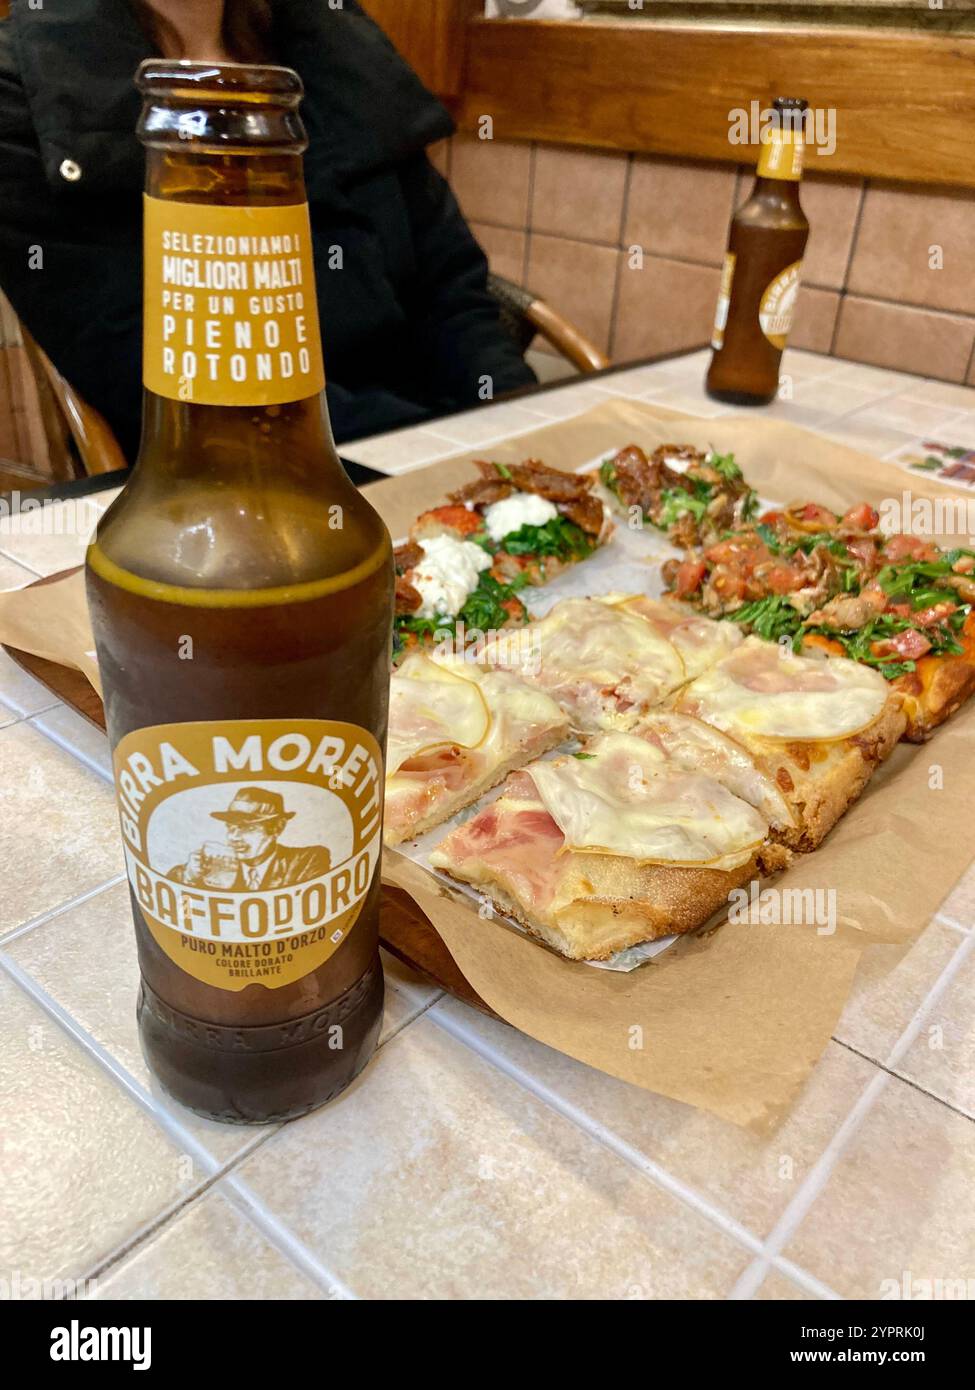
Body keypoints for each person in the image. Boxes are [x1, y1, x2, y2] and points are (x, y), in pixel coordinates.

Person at [0, 0, 535, 462]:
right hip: (222, 481)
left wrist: (519, 425)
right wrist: (432, 450)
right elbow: (147, 365)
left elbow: (453, 289)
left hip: (436, 442)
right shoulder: (30, 87)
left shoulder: (332, 44)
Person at [169, 788, 332, 889]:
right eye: (230, 827)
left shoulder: (306, 860)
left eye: (247, 828)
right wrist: (188, 877)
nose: (233, 837)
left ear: (277, 828)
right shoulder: (214, 865)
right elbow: (176, 904)